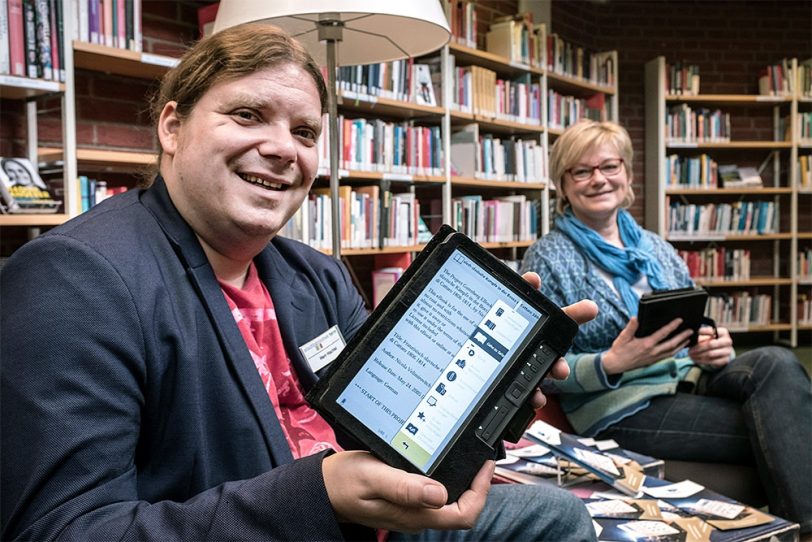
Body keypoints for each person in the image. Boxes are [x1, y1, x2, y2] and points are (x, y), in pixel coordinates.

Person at [1, 23, 600, 541]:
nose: (283, 149)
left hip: (369, 523)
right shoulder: (75, 278)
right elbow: (65, 530)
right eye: (247, 115)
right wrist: (318, 495)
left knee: (554, 516)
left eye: (306, 133)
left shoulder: (316, 275)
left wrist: (488, 398)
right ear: (172, 127)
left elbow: (395, 432)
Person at [520, 119, 811, 534]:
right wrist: (613, 361)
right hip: (625, 403)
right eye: (581, 171)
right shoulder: (547, 258)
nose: (598, 179)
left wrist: (714, 345)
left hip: (689, 376)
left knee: (777, 362)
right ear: (562, 185)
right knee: (787, 428)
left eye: (609, 166)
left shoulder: (653, 246)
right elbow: (537, 367)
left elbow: (699, 318)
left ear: (628, 174)